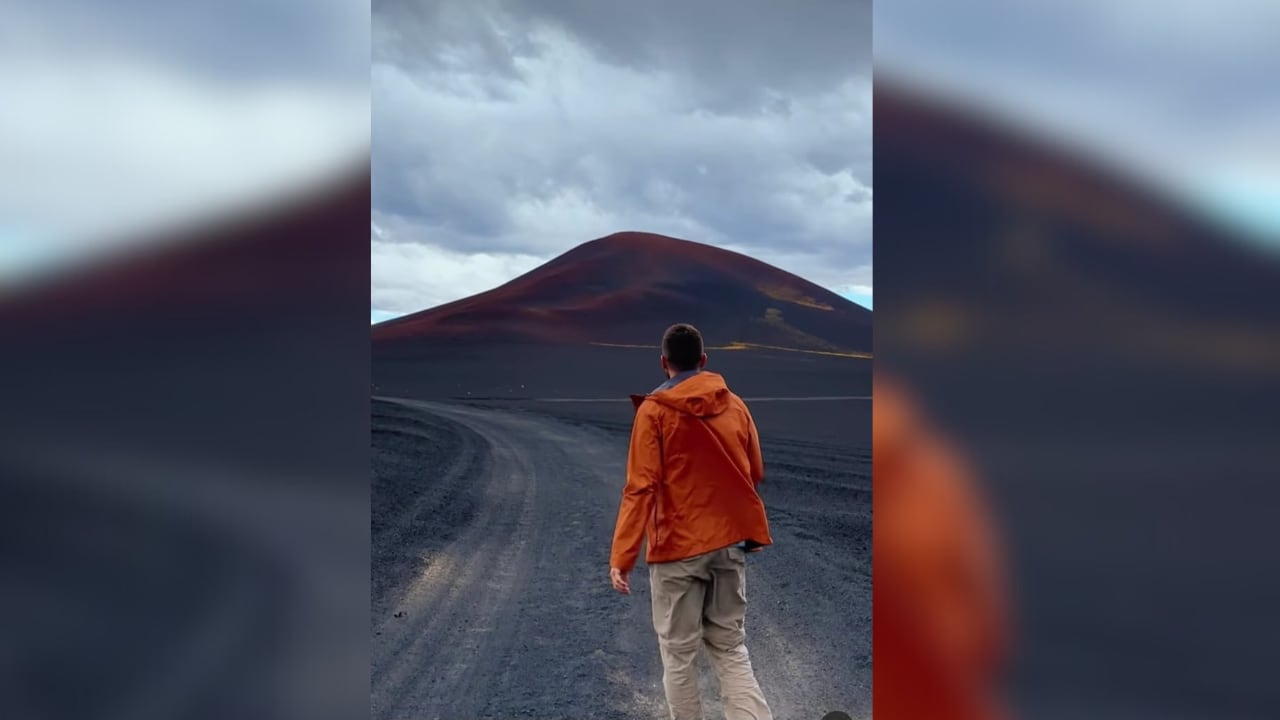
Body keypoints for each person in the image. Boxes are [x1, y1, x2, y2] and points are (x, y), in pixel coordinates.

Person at [609, 323, 774, 720]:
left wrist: (623, 556)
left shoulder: (654, 412)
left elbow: (640, 488)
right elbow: (754, 470)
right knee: (730, 646)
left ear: (664, 362)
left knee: (679, 656)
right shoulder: (735, 405)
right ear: (703, 361)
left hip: (677, 551)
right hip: (729, 545)